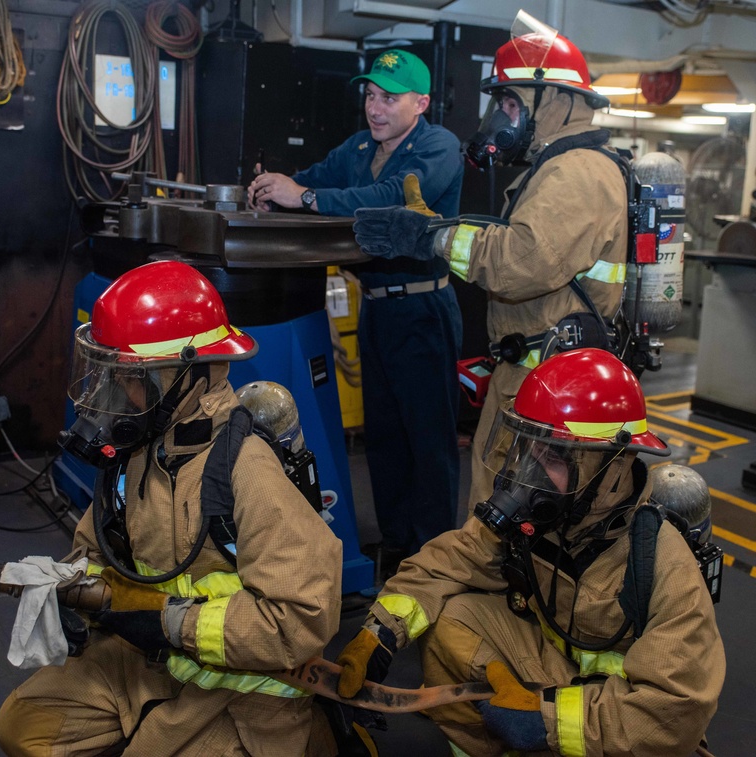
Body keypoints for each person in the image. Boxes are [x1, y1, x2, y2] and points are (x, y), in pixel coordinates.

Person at [0, 260, 344, 756]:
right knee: (24, 727)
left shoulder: (246, 470)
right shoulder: (136, 451)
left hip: (237, 688)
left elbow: (301, 619)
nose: (112, 395)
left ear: (190, 377)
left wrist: (172, 624)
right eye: (108, 375)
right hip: (147, 658)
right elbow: (98, 549)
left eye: (129, 378)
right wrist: (67, 587)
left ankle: (314, 740)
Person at [334, 348, 725, 757]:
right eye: (527, 450)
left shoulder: (662, 563)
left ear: (610, 468)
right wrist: (379, 633)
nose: (528, 476)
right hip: (556, 669)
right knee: (452, 618)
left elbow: (673, 713)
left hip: (617, 714)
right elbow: (450, 562)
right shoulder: (547, 516)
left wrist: (546, 722)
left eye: (552, 456)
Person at [353, 13, 629, 507]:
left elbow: (519, 263)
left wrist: (430, 239)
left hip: (549, 388)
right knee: (498, 515)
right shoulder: (553, 169)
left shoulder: (577, 174)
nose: (501, 118)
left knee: (514, 525)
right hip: (531, 376)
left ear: (559, 101)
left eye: (510, 103)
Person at [248, 48, 465, 574]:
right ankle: (395, 549)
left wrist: (304, 198)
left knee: (428, 444)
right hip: (377, 311)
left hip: (423, 310)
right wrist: (274, 190)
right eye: (370, 95)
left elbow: (388, 199)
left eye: (389, 98)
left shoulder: (438, 146)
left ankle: (433, 563)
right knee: (385, 440)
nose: (376, 107)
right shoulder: (360, 146)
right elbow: (316, 179)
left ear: (421, 102)